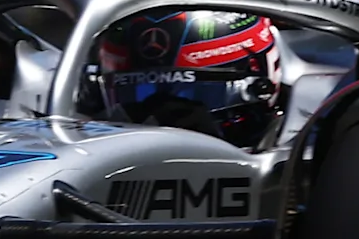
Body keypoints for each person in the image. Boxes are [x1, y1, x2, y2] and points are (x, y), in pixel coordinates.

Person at [96, 9, 283, 148]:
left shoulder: (303, 152)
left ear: (259, 88)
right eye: (140, 98)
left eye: (194, 96)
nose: (156, 122)